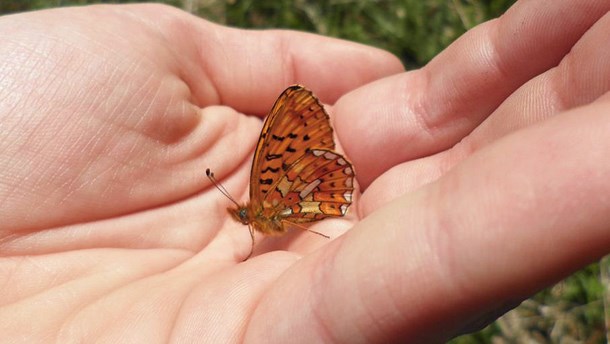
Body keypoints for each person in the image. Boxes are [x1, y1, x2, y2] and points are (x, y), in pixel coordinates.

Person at [0, 1, 608, 342]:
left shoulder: (266, 199)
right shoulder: (258, 209)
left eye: (240, 211)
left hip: (323, 190)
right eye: (241, 213)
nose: (238, 212)